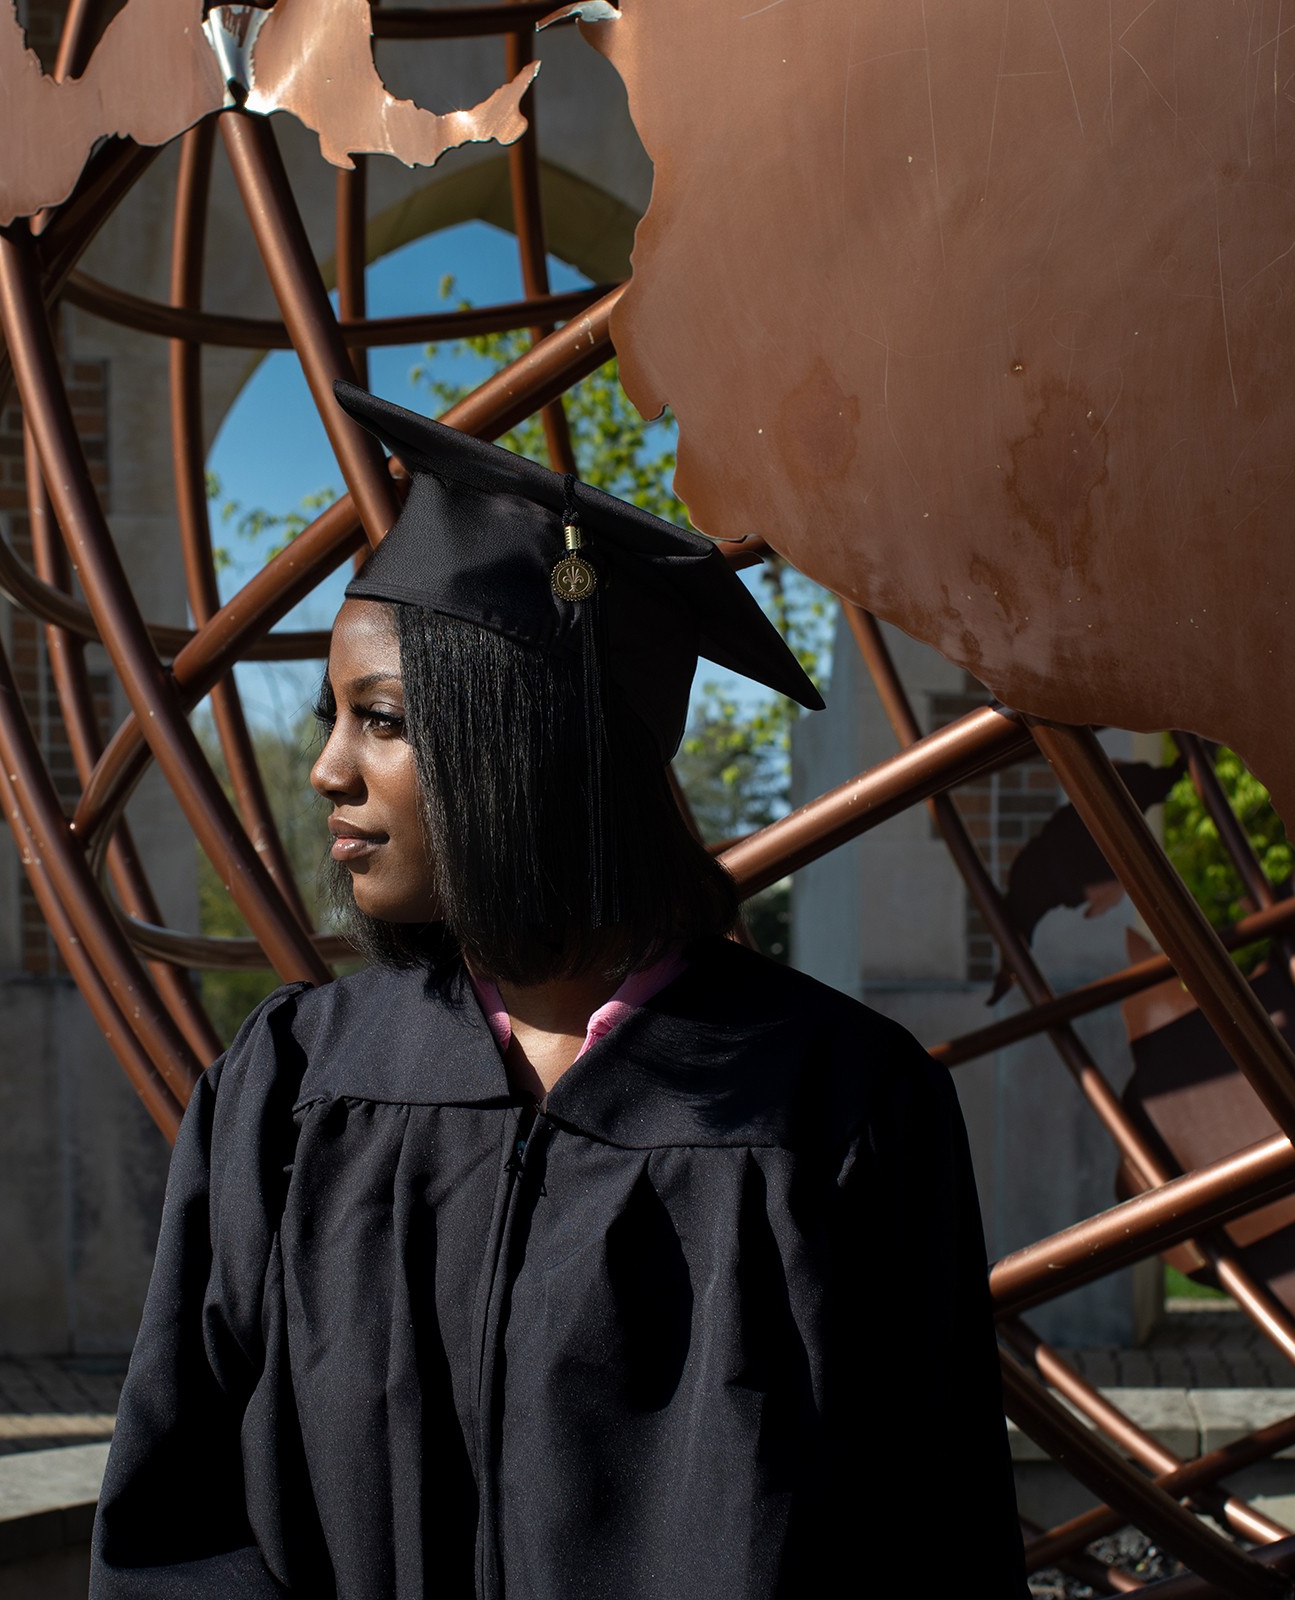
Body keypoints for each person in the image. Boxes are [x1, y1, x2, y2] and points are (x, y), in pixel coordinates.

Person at [91, 382, 1022, 1598]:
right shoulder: (291, 1089)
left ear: (526, 744)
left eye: (380, 720)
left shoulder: (837, 1112)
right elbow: (172, 1519)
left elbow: (928, 1545)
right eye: (333, 719)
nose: (324, 769)